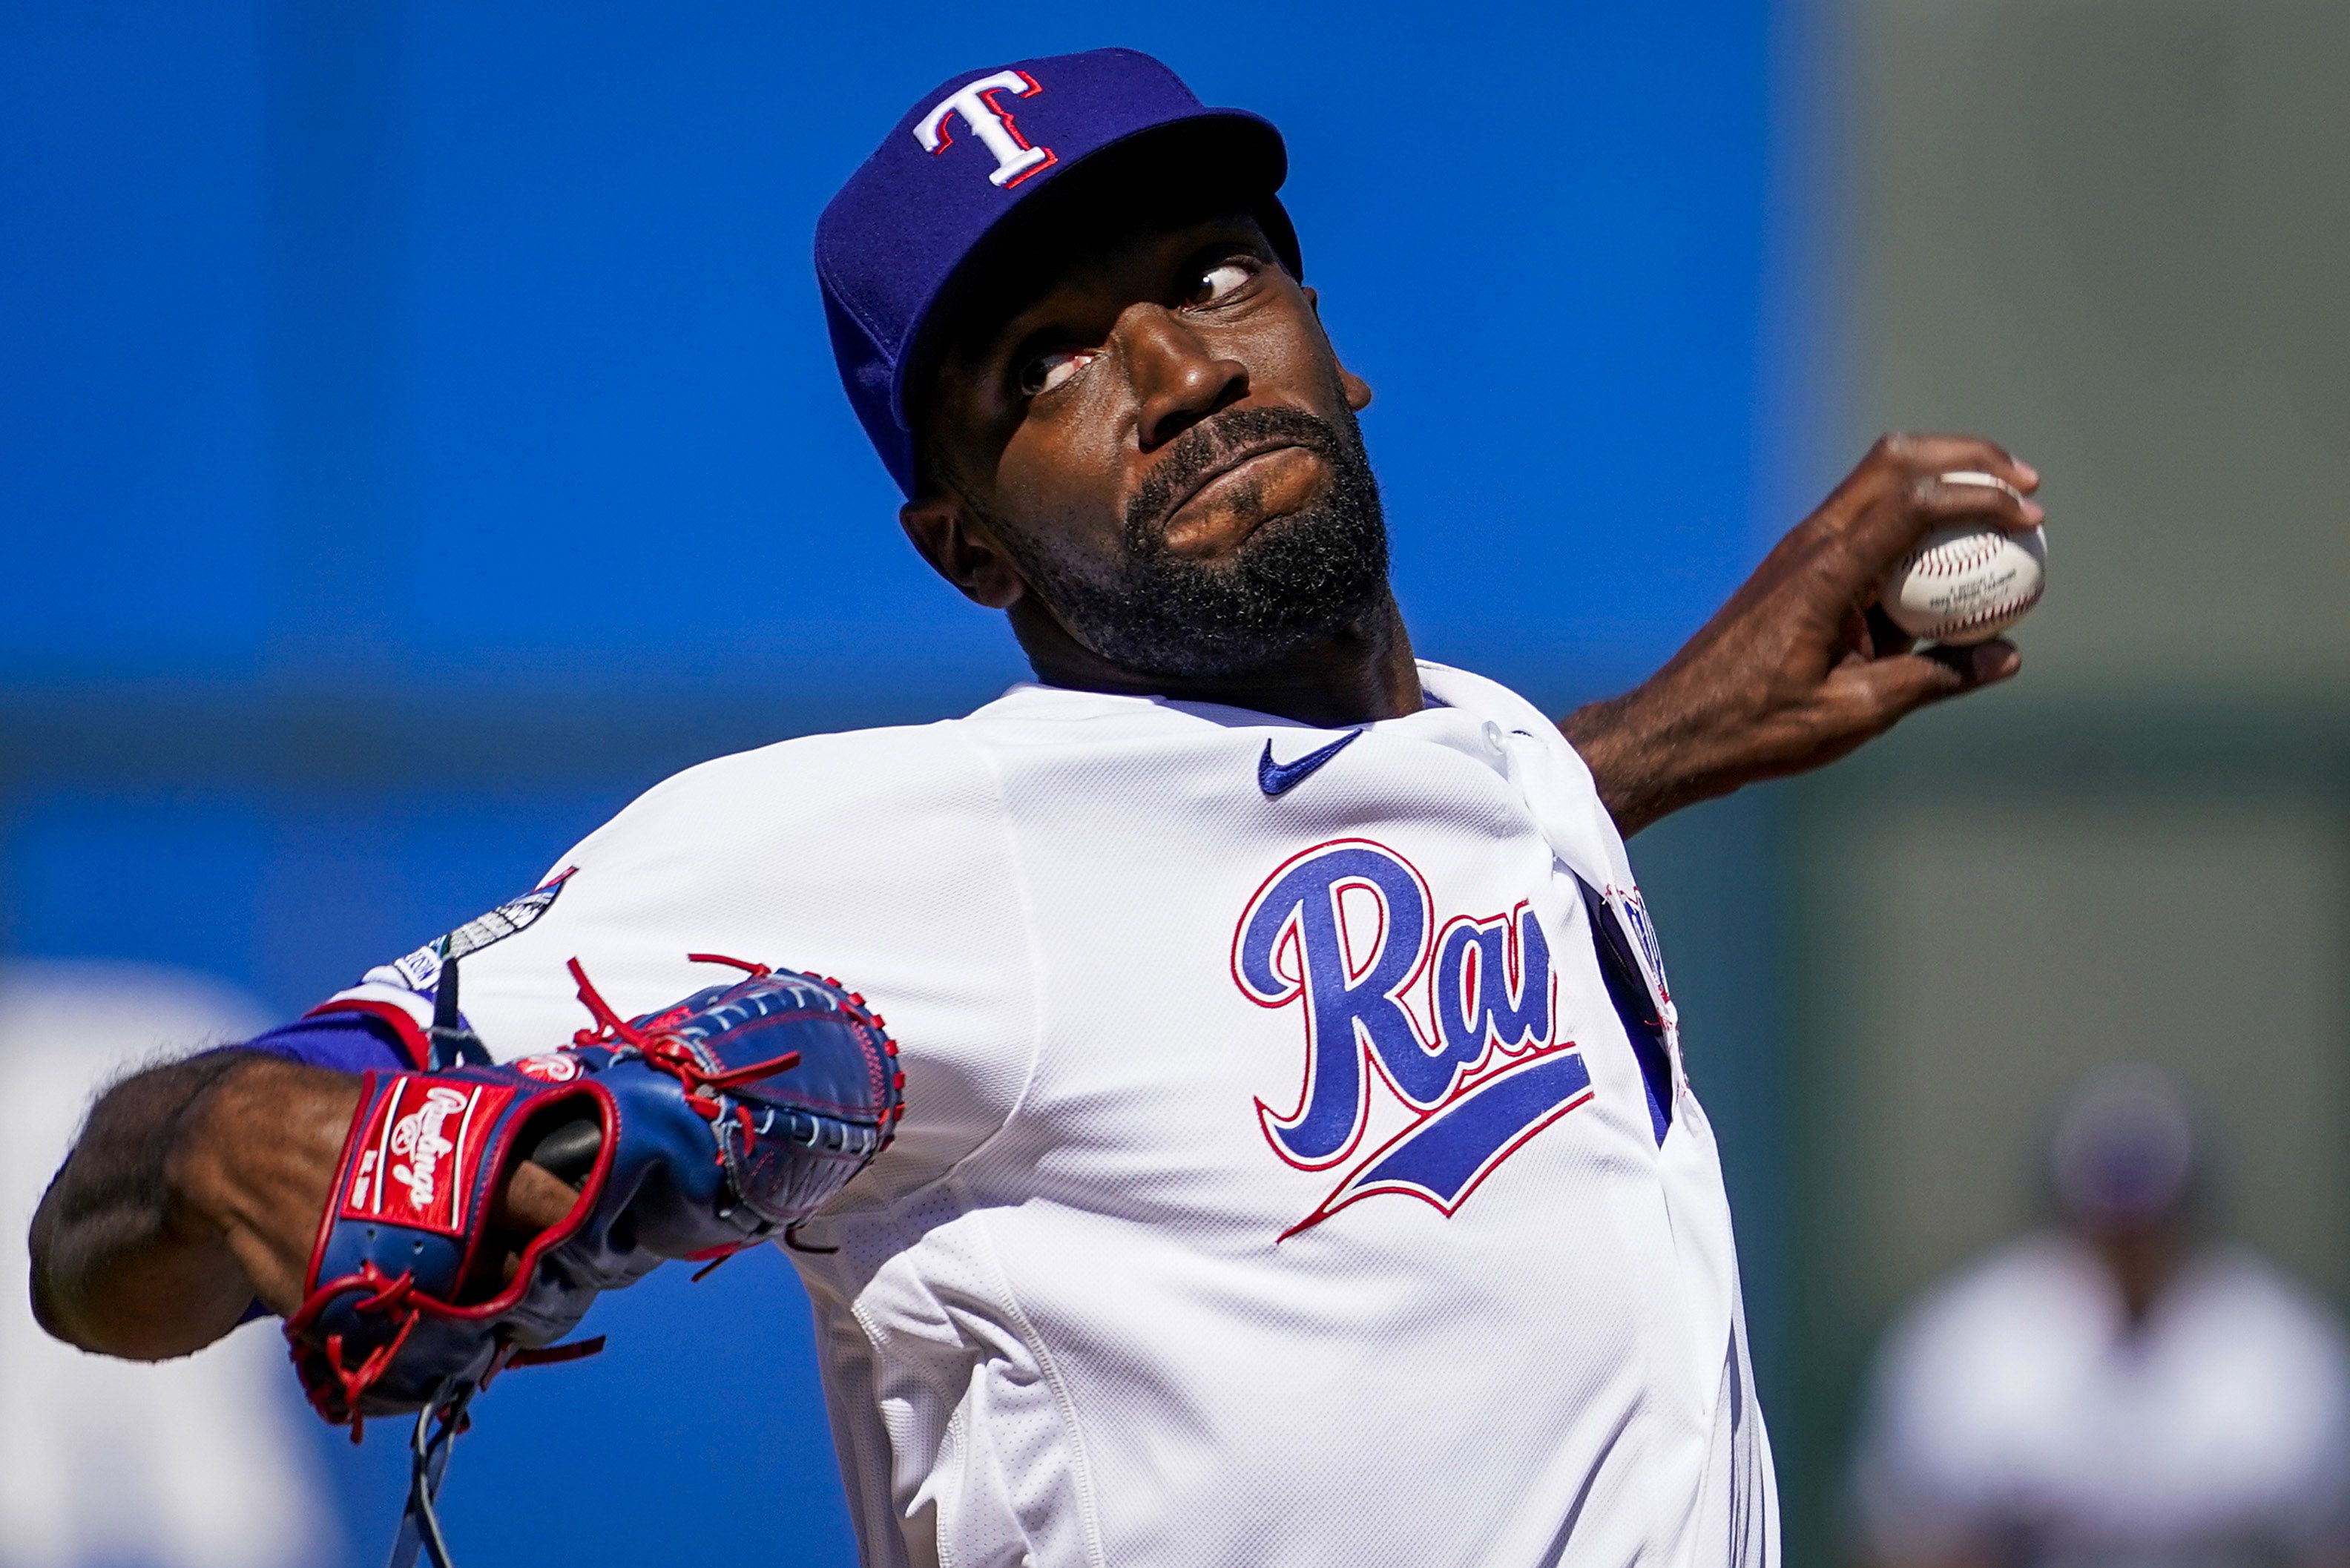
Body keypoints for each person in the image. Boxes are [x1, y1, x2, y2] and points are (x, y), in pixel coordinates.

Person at [28, 48, 2042, 1567]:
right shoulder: (915, 849)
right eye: (1045, 363)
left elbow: (1368, 851)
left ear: (1338, 361)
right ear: (960, 546)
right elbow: (92, 1239)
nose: (1171, 363)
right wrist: (219, 1141)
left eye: (1217, 272)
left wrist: (1684, 727)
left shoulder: (1496, 758)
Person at [1851, 1067, 2350, 1568]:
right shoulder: (1969, 1344)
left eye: (2150, 1221)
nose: (2130, 1242)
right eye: (2110, 1219)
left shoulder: (2284, 1351)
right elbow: (1910, 1546)